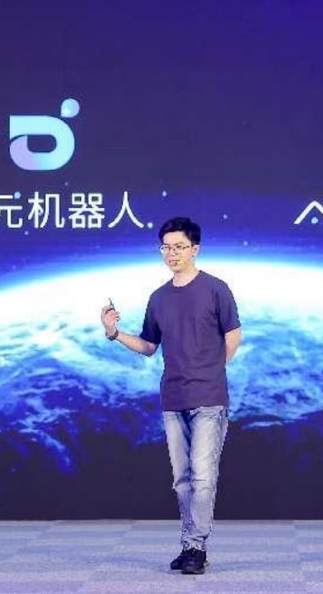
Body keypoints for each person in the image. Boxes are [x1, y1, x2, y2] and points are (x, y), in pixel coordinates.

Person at [100, 216, 241, 575]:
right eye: (166, 247)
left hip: (209, 398)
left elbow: (232, 337)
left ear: (195, 249)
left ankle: (196, 547)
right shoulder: (159, 297)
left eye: (179, 247)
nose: (172, 253)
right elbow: (149, 346)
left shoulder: (216, 289)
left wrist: (209, 372)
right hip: (173, 398)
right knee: (181, 480)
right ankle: (189, 543)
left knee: (203, 477)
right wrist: (114, 333)